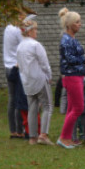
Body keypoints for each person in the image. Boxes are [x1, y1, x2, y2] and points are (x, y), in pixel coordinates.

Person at [58, 8, 85, 149]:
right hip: (72, 76)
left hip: (77, 75)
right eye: (77, 22)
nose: (80, 24)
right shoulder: (66, 40)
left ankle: (67, 137)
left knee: (72, 108)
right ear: (70, 24)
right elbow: (70, 59)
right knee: (78, 108)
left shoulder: (72, 39)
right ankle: (64, 137)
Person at [16, 18, 54, 146]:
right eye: (35, 29)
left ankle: (32, 137)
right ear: (30, 31)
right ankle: (43, 134)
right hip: (39, 78)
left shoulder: (20, 47)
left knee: (32, 107)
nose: (36, 31)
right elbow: (44, 63)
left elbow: (20, 65)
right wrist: (49, 76)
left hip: (27, 80)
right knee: (48, 106)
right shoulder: (35, 45)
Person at [3, 12, 28, 139]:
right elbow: (25, 44)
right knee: (19, 98)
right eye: (23, 15)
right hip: (16, 66)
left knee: (12, 98)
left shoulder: (7, 28)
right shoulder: (18, 30)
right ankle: (20, 130)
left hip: (8, 66)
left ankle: (12, 130)